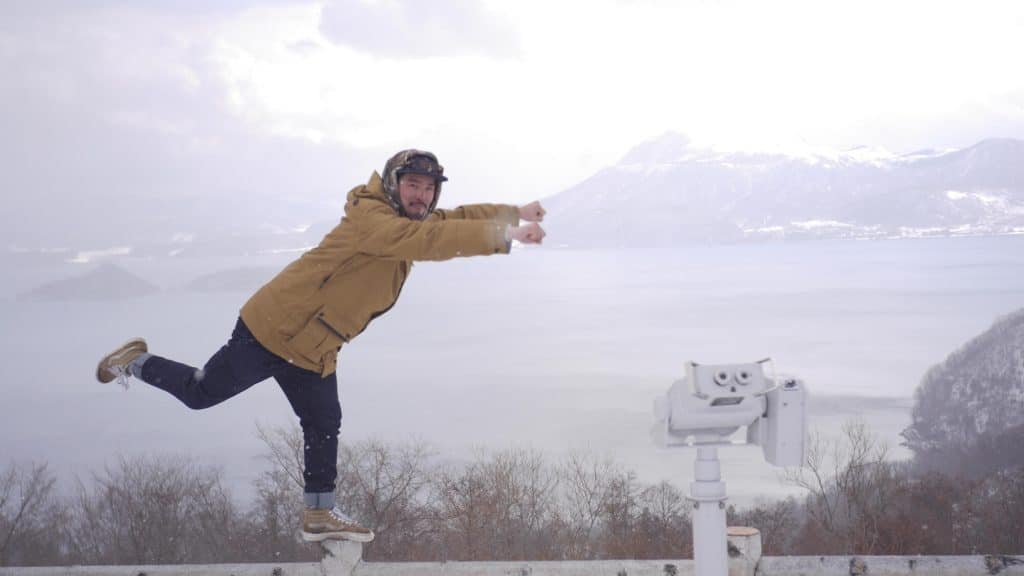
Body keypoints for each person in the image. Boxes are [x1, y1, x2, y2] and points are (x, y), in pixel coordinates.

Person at [95, 149, 546, 543]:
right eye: (413, 185)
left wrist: (515, 212)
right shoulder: (373, 221)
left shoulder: (413, 219)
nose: (422, 197)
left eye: (429, 189)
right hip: (274, 330)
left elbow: (454, 219)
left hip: (315, 346)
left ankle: (318, 513)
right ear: (393, 184)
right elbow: (428, 241)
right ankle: (135, 360)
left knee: (324, 420)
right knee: (200, 393)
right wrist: (502, 238)